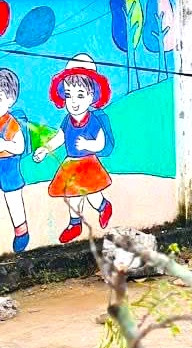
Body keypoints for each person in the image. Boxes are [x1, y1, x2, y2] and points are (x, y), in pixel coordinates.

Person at [34, 54, 116, 244]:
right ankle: (75, 223)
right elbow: (60, 138)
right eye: (69, 95)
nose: (74, 101)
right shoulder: (67, 121)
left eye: (80, 95)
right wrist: (46, 149)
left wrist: (88, 145)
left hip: (88, 164)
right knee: (72, 198)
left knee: (93, 196)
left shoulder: (93, 120)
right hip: (71, 164)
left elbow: (101, 143)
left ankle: (103, 206)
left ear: (92, 97)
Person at [0, 68, 29, 253]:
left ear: (10, 100)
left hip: (9, 165)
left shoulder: (11, 124)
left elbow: (19, 147)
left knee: (13, 199)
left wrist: (4, 144)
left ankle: (22, 230)